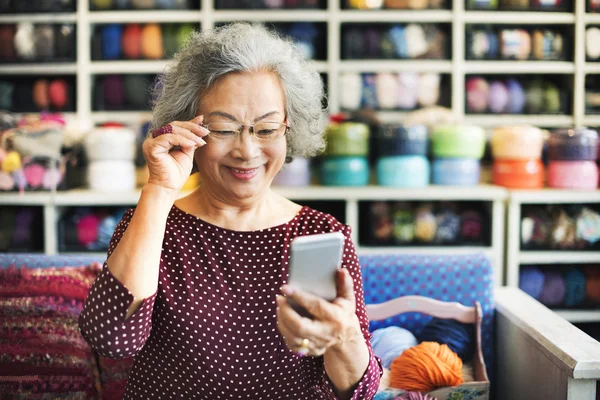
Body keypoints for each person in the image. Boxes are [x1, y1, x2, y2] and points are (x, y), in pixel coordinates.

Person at [79, 23, 382, 400]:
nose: (247, 150)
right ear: (190, 130)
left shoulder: (320, 234)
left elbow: (361, 391)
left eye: (267, 129)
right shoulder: (155, 225)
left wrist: (343, 336)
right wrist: (159, 188)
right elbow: (112, 339)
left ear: (289, 129)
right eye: (224, 129)